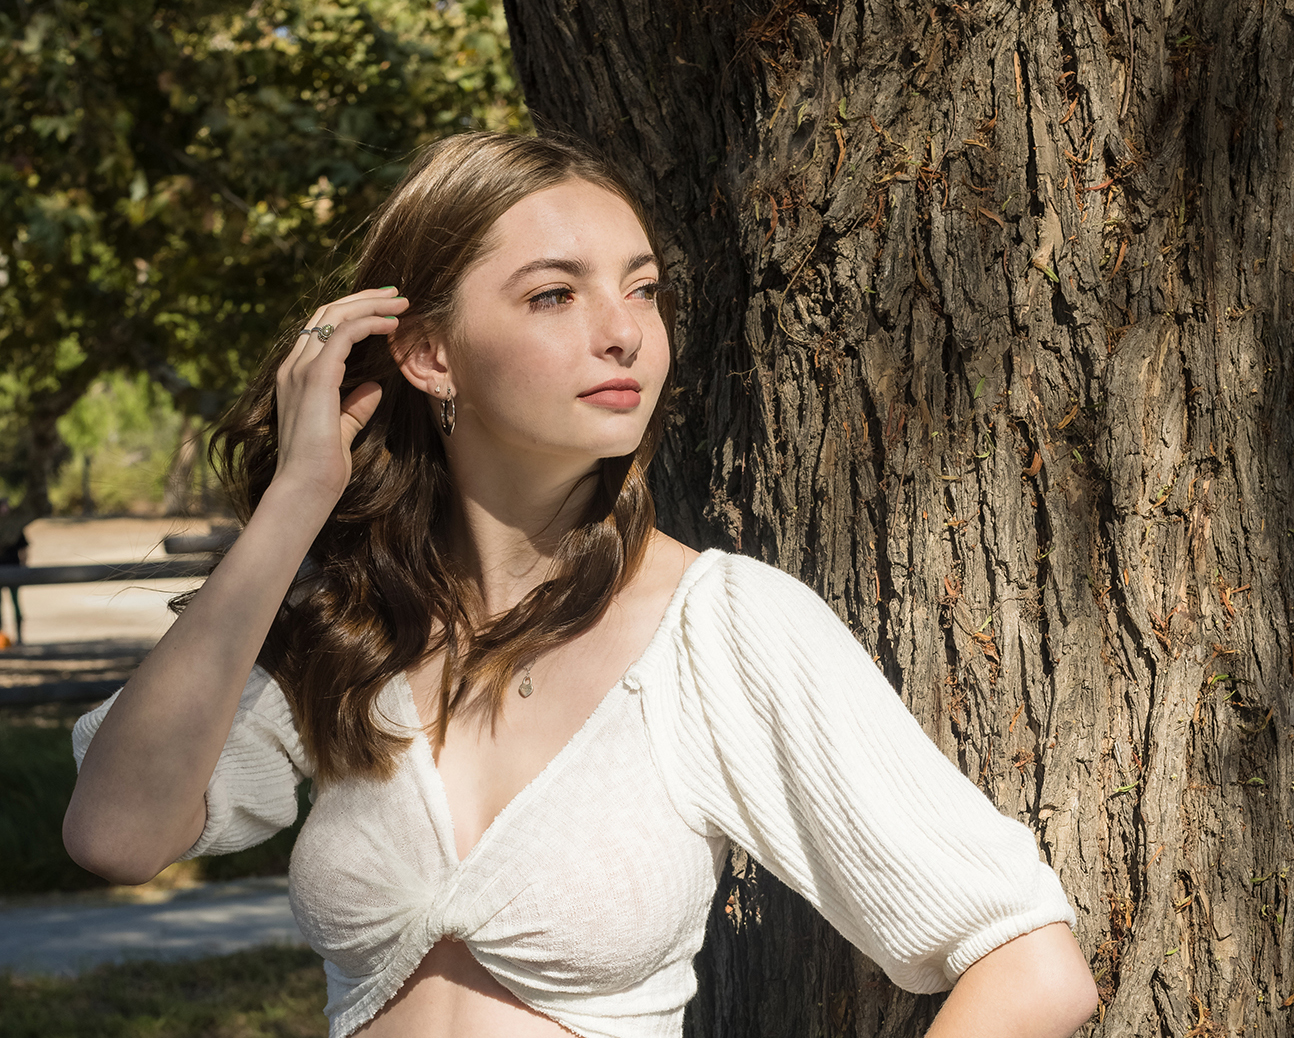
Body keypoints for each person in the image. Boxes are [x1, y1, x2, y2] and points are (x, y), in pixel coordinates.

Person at [63, 133, 1098, 1038]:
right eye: (556, 293)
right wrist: (297, 498)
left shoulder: (719, 630)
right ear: (428, 352)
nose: (624, 330)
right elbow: (118, 834)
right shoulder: (351, 622)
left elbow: (1031, 968)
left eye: (641, 288)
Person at [0, 497, 27, 645]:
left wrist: (23, 566)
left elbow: (24, 548)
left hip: (14, 570)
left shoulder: (14, 527)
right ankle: (1, 637)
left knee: (16, 603)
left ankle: (19, 636)